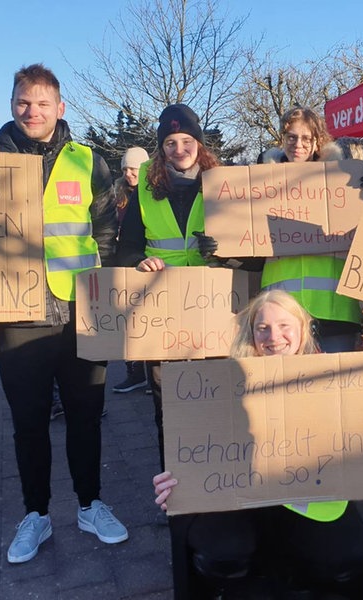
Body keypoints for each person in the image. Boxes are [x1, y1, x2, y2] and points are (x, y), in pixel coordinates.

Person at [153, 290, 363, 598]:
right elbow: (195, 449)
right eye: (263, 327)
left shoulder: (333, 380)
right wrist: (176, 483)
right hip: (239, 499)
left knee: (348, 555)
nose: (273, 336)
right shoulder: (221, 380)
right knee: (222, 552)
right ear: (251, 333)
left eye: (284, 326)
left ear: (302, 329)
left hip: (313, 498)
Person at [0, 64, 127, 564]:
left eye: (43, 103)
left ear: (60, 108)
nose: (33, 111)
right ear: (12, 104)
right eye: (24, 102)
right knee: (28, 423)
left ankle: (91, 504)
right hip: (17, 315)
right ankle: (35, 515)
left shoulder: (91, 162)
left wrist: (104, 293)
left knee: (86, 416)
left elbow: (106, 233)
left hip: (80, 313)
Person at [115, 104, 221, 471]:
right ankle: (177, 486)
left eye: (187, 140)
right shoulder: (145, 186)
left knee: (214, 399)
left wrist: (224, 253)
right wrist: (136, 263)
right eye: (171, 142)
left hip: (214, 306)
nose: (179, 149)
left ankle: (217, 480)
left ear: (199, 143)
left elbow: (248, 249)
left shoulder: (222, 183)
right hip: (163, 311)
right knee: (170, 404)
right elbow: (125, 247)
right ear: (161, 148)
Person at [255, 107, 363, 353]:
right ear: (282, 139)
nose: (298, 144)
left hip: (335, 307)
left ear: (317, 142)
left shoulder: (344, 182)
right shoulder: (259, 184)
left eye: (306, 138)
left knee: (335, 386)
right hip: (281, 309)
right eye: (291, 137)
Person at [110, 147, 151, 394]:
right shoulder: (118, 193)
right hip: (126, 260)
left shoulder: (154, 191)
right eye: (125, 169)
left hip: (149, 262)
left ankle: (150, 370)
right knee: (129, 322)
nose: (129, 174)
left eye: (133, 168)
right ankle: (135, 372)